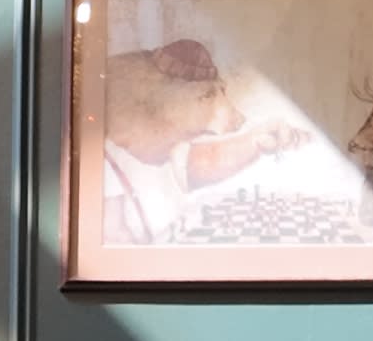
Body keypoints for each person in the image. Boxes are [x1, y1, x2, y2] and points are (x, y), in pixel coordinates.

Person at [99, 38, 311, 245]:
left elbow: (198, 164)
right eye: (207, 95)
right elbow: (114, 235)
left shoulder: (150, 154)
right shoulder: (102, 159)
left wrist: (254, 141)